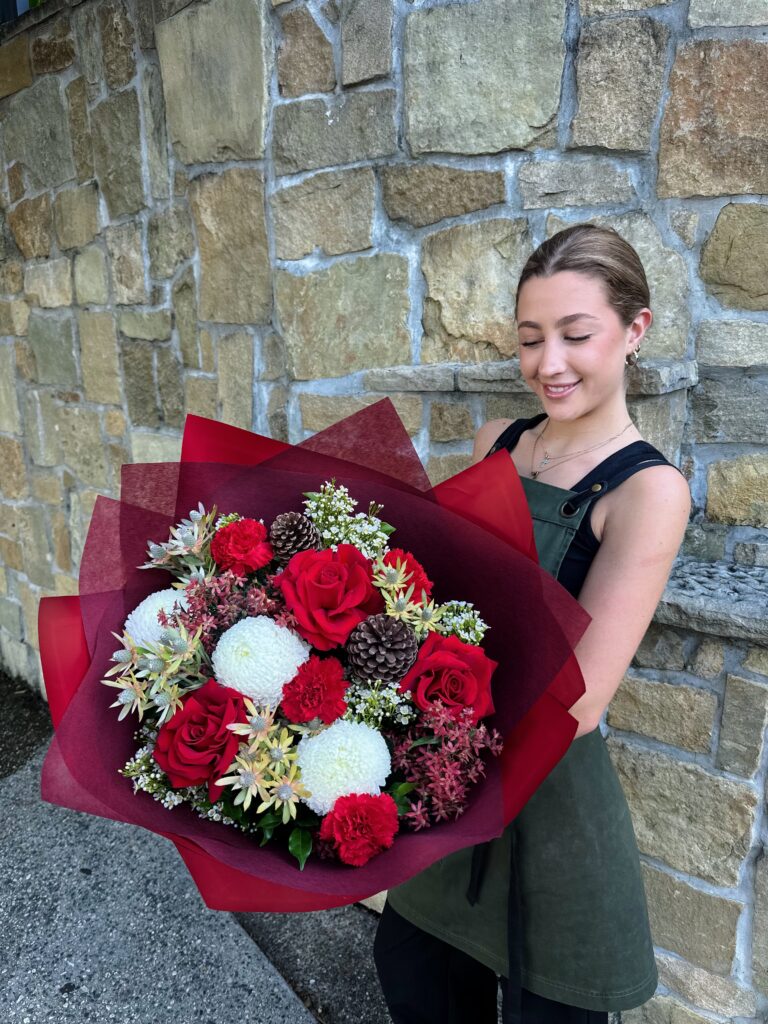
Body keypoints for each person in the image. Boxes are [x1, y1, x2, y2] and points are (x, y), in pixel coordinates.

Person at [373, 223, 692, 1024]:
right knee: (412, 974)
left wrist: (427, 671)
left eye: (576, 335)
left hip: (554, 815)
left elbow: (578, 704)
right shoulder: (496, 443)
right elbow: (439, 599)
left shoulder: (649, 492)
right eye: (530, 338)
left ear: (635, 330)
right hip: (448, 785)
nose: (548, 364)